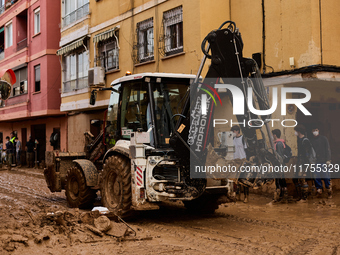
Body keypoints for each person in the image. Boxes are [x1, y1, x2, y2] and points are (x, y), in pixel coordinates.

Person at [294, 124, 316, 202]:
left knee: (302, 179)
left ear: (299, 131)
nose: (295, 133)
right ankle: (300, 196)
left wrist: (306, 164)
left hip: (303, 163)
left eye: (296, 131)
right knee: (297, 179)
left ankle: (304, 198)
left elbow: (307, 153)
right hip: (300, 162)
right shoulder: (299, 140)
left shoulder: (305, 140)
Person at [310, 125, 332, 198]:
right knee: (316, 177)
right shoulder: (311, 141)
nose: (315, 132)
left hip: (324, 161)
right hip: (315, 162)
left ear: (318, 130)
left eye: (316, 130)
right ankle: (319, 191)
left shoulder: (324, 139)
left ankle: (329, 191)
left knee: (326, 176)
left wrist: (328, 159)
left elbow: (327, 149)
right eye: (313, 130)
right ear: (311, 131)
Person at [231, 125, 249, 203]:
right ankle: (238, 196)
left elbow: (246, 150)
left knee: (244, 180)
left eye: (233, 131)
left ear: (237, 131)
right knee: (237, 180)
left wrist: (247, 161)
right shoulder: (233, 139)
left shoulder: (243, 139)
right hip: (236, 162)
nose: (232, 133)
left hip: (243, 162)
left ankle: (246, 197)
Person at [272, 129, 288, 202]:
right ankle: (282, 196)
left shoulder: (279, 144)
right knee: (281, 179)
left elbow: (279, 156)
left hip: (279, 165)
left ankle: (280, 196)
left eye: (273, 135)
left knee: (279, 180)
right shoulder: (279, 143)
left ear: (275, 135)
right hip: (279, 164)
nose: (272, 136)